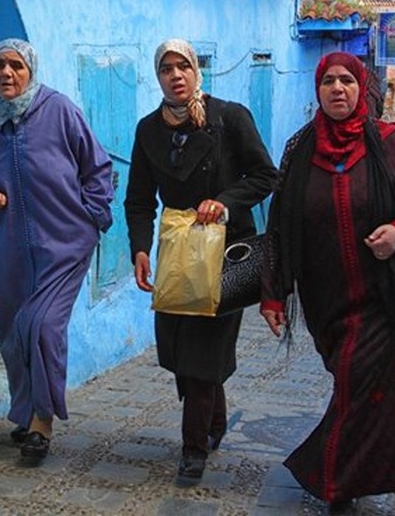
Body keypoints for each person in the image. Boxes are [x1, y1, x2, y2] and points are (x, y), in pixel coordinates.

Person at [260, 52, 395, 512]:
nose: (337, 89)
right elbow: (280, 226)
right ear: (318, 90)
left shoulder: (390, 143)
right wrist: (273, 293)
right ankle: (354, 471)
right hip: (325, 300)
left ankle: (334, 483)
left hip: (383, 296)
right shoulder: (299, 149)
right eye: (328, 82)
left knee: (358, 380)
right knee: (352, 387)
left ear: (363, 89)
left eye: (346, 80)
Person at [124, 38, 277, 483]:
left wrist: (225, 202)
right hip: (177, 252)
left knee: (202, 349)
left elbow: (266, 175)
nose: (176, 75)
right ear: (158, 77)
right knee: (175, 345)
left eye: (183, 66)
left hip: (227, 252)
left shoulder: (228, 117)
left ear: (196, 71)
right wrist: (138, 247)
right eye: (166, 69)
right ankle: (214, 415)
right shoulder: (148, 130)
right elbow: (137, 200)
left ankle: (193, 449)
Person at [0, 38, 115, 462]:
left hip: (65, 242)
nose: (7, 74)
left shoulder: (59, 109)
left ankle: (42, 424)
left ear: (31, 69)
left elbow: (97, 167)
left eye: (16, 65)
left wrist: (91, 217)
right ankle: (27, 412)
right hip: (11, 245)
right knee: (14, 334)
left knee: (43, 326)